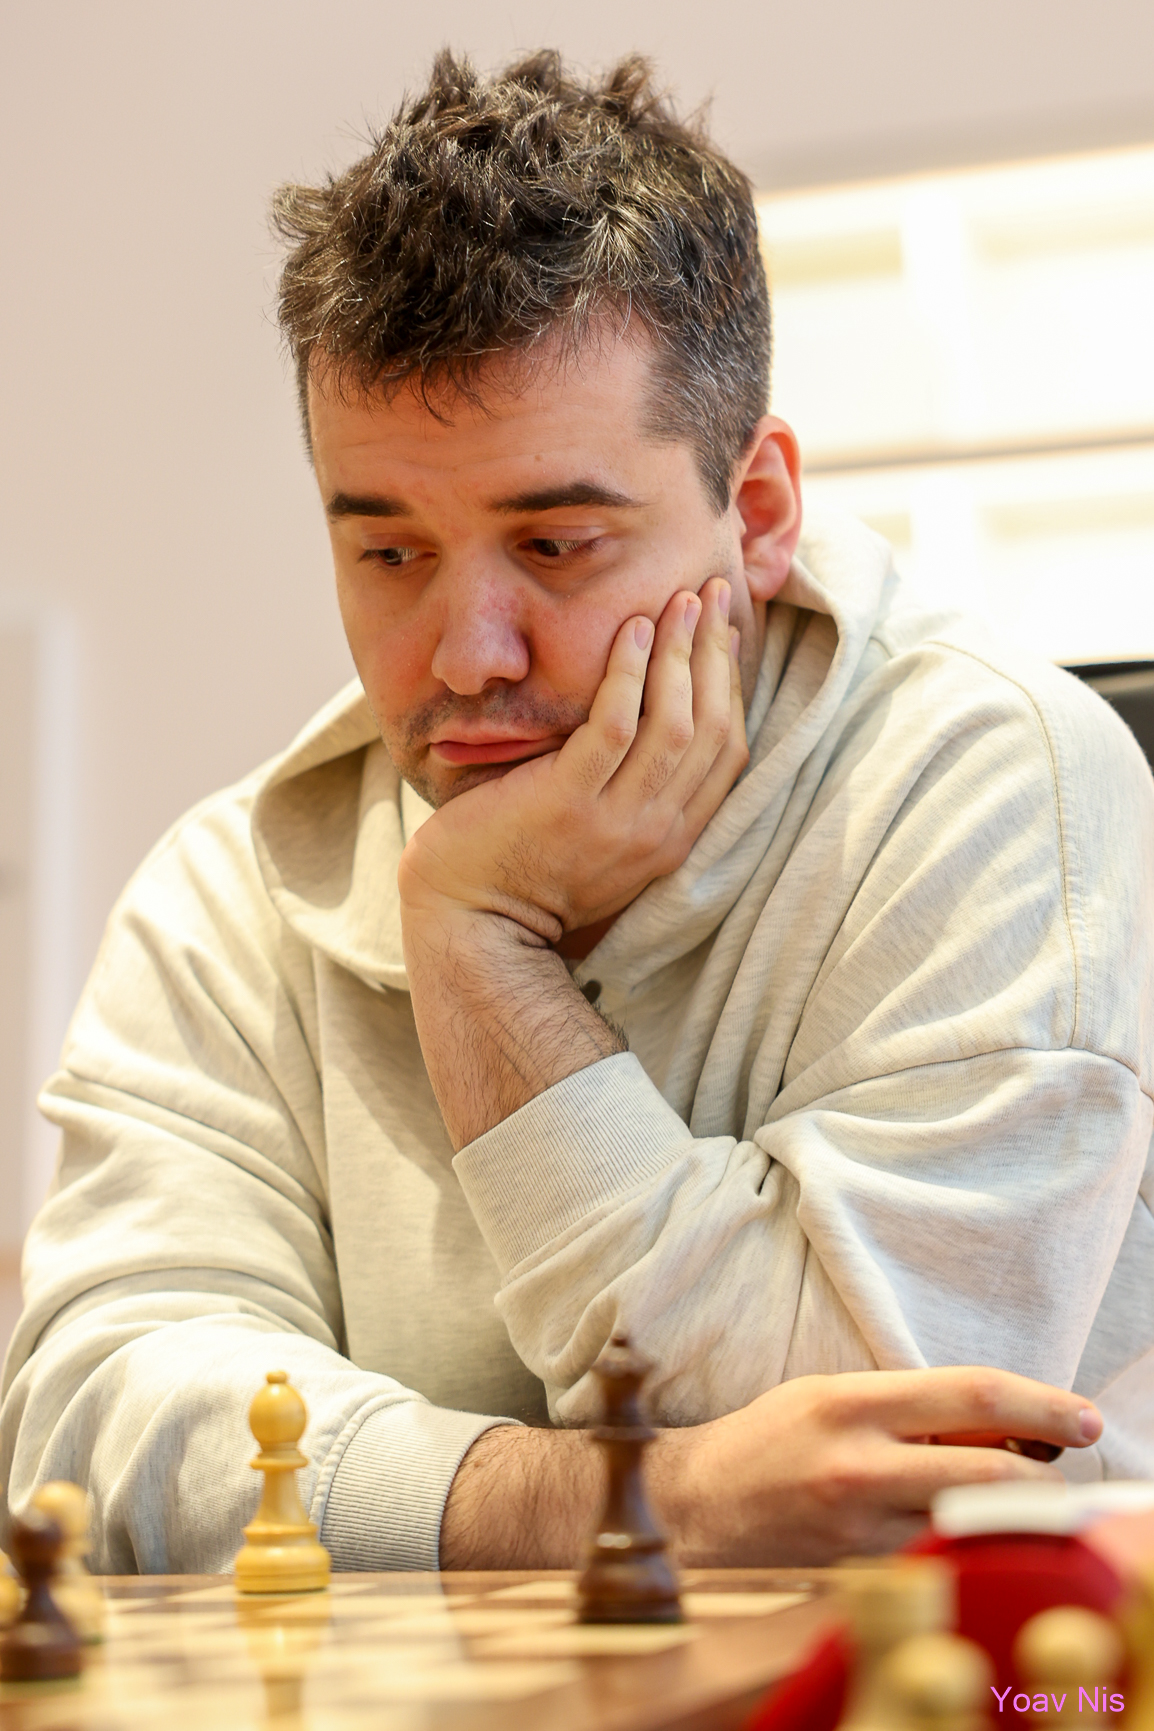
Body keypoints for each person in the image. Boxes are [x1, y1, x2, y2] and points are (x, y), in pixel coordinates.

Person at [2, 51, 1152, 1577]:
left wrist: (479, 944)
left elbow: (872, 1478)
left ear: (755, 512)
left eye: (553, 545)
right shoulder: (230, 884)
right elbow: (92, 1419)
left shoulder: (995, 782)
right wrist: (595, 1505)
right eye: (390, 554)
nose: (466, 655)